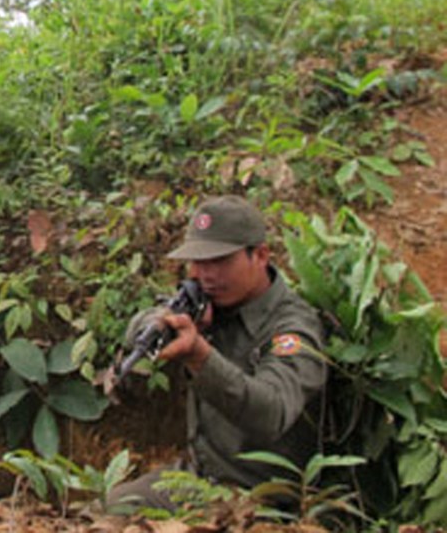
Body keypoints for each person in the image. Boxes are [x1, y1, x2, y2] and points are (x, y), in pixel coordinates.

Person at [108, 195, 327, 512]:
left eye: (220, 261)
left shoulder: (291, 327)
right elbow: (139, 327)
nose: (206, 274)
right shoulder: (211, 303)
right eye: (197, 262)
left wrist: (200, 355)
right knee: (111, 507)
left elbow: (273, 412)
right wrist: (160, 322)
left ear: (261, 255)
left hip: (263, 497)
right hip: (200, 479)